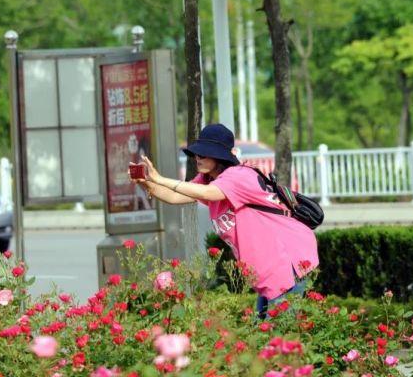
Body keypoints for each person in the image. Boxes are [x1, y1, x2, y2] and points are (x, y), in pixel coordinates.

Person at [130, 123, 319, 319]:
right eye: (196, 154)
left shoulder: (239, 176)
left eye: (203, 154)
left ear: (220, 156)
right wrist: (148, 183)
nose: (198, 158)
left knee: (278, 337)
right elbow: (175, 196)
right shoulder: (207, 179)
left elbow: (208, 194)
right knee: (265, 337)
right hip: (269, 269)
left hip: (288, 261)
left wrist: (160, 178)